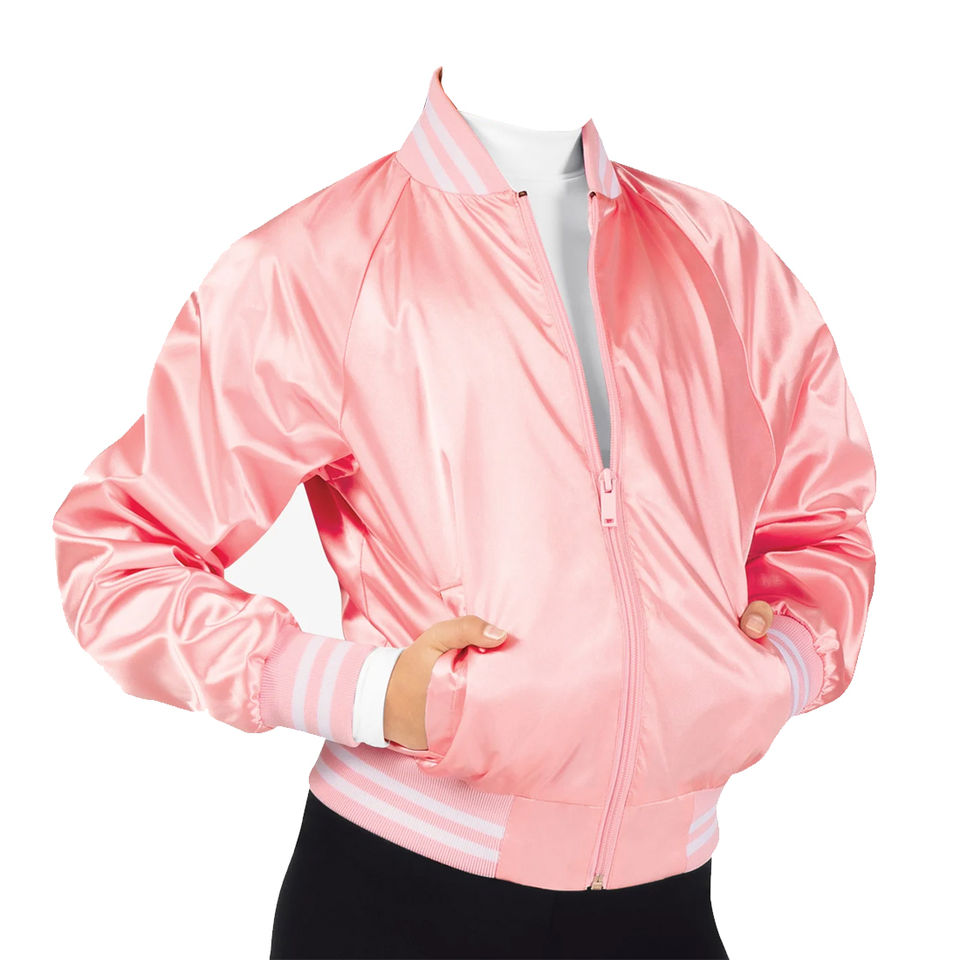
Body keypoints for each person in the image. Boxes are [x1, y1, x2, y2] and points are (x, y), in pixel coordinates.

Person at [52, 66, 876, 959]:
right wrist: (367, 694)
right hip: (400, 895)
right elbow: (114, 554)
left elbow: (822, 517)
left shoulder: (717, 252)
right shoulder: (321, 263)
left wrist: (785, 662)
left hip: (667, 904)